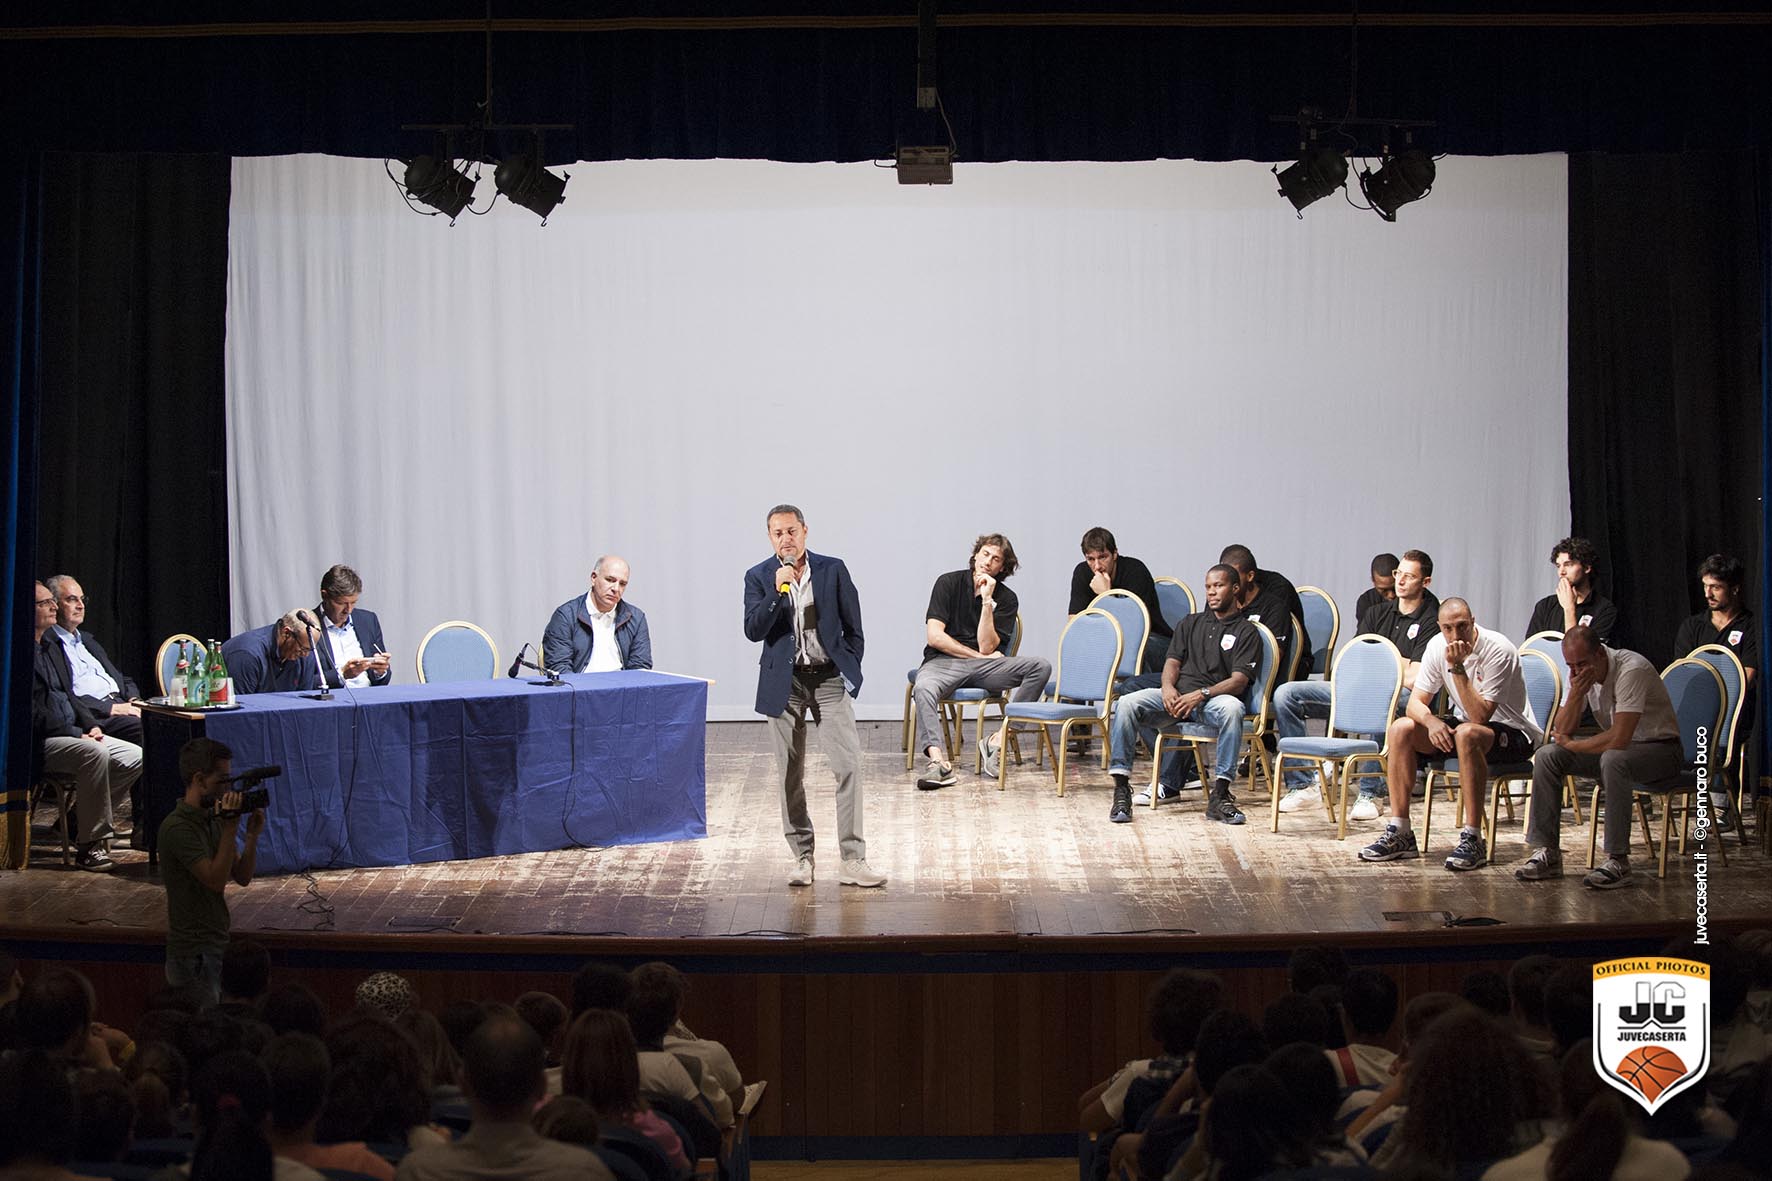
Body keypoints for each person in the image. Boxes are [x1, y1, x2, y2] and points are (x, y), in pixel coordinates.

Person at [742, 504, 884, 888]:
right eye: (777, 533)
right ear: (769, 537)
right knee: (790, 772)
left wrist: (850, 662)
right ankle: (803, 857)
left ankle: (853, 860)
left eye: (791, 531)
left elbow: (854, 627)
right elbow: (753, 631)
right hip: (783, 684)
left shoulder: (832, 569)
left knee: (848, 765)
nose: (786, 539)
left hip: (827, 679)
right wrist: (776, 591)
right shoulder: (759, 576)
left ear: (805, 531)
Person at [1360, 598, 1541, 872]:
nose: (1456, 636)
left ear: (1473, 621)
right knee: (1402, 728)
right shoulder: (1435, 646)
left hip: (1513, 732)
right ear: (1439, 627)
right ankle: (1401, 832)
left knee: (1468, 733)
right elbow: (1415, 703)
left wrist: (1457, 668)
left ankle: (1473, 837)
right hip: (1466, 725)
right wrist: (1431, 722)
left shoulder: (1498, 649)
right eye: (1448, 629)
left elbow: (1481, 716)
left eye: (1462, 627)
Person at [1515, 625, 1684, 889]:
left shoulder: (1631, 669)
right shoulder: (1581, 676)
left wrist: (1574, 746)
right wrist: (1575, 695)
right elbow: (1561, 729)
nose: (1575, 672)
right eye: (1570, 665)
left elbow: (1620, 737)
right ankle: (1548, 852)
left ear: (1600, 655)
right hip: (1622, 751)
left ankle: (1618, 860)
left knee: (1613, 759)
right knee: (1548, 755)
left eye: (1581, 664)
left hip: (1661, 750)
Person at [1276, 549, 1441, 821]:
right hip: (1358, 687)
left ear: (1425, 582)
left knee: (1384, 698)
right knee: (1286, 695)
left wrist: (1380, 660)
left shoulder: (1430, 620)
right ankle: (1304, 785)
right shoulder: (1376, 613)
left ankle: (1371, 792)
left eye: (1409, 576)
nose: (1400, 581)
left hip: (1401, 697)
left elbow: (1416, 678)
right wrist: (1394, 663)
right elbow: (1357, 659)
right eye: (1399, 573)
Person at [1105, 564, 1260, 825]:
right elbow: (1172, 663)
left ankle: (1220, 794)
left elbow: (1238, 680)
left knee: (1233, 708)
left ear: (1235, 589)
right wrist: (1167, 688)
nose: (1212, 592)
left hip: (1212, 701)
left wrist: (1200, 695)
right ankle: (1121, 789)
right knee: (1127, 702)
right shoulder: (1190, 623)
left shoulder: (1246, 631)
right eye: (1208, 587)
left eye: (1218, 586)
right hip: (1178, 698)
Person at [910, 532, 1052, 787]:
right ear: (976, 555)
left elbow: (988, 645)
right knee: (923, 688)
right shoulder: (948, 583)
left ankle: (998, 740)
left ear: (1002, 568)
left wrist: (987, 601)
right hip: (943, 663)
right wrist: (977, 656)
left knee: (1040, 666)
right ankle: (938, 764)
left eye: (996, 559)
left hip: (986, 668)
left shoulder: (1006, 599)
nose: (988, 561)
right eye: (985, 554)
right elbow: (935, 637)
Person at [31, 580, 142, 871]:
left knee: (134, 757)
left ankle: (77, 820)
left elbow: (70, 696)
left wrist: (91, 725)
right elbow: (32, 715)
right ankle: (90, 846)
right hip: (43, 740)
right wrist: (77, 732)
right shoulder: (19, 656)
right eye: (45, 603)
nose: (53, 607)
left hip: (74, 731)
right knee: (95, 755)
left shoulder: (51, 648)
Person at [158, 737, 264, 1002]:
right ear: (199, 779)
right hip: (192, 954)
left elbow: (242, 877)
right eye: (222, 779)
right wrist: (230, 828)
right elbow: (215, 881)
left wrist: (251, 837)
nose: (227, 788)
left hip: (215, 944)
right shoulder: (177, 828)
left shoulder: (213, 820)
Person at [44, 574, 143, 742]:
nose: (81, 606)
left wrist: (136, 701)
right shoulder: (49, 644)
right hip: (96, 715)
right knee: (148, 730)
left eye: (82, 600)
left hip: (123, 705)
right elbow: (65, 695)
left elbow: (122, 679)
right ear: (55, 604)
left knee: (173, 721)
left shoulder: (88, 641)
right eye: (72, 599)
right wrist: (113, 708)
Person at [1067, 526, 1171, 679]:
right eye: (1091, 559)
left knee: (1135, 650)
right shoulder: (1082, 572)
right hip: (1110, 641)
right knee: (1076, 650)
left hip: (1153, 640)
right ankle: (1071, 700)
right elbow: (1075, 624)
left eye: (1103, 557)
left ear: (1115, 554)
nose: (1097, 566)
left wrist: (1106, 595)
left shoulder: (1135, 570)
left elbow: (1133, 630)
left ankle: (1133, 700)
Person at [542, 555, 653, 674]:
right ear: (594, 578)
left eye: (622, 584)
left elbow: (640, 668)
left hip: (622, 689)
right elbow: (559, 667)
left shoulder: (636, 618)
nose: (616, 588)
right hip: (579, 688)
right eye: (610, 580)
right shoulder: (565, 616)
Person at [1220, 543, 1310, 680]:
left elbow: (1273, 655)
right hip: (1229, 667)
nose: (1228, 583)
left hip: (1274, 668)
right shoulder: (1220, 594)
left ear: (1250, 576)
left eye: (1233, 576)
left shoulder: (1276, 596)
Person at [1674, 552, 1758, 689]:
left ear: (1735, 589)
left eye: (1715, 587)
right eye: (1705, 586)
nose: (1708, 594)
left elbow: (1747, 676)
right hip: (1698, 706)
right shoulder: (1691, 626)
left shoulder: (1751, 626)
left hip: (1738, 709)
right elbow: (1681, 674)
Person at [1524, 535, 1618, 643]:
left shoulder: (1604, 610)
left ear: (1587, 568)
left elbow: (1580, 655)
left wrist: (1569, 609)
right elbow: (1530, 650)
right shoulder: (1545, 606)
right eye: (1558, 566)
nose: (1561, 572)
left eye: (1568, 565)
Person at [314, 564, 392, 688]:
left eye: (353, 603)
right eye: (341, 603)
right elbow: (302, 682)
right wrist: (342, 674)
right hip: (331, 702)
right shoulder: (307, 627)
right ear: (325, 596)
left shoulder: (368, 621)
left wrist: (380, 672)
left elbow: (382, 681)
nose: (348, 610)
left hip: (369, 699)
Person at [221, 608, 324, 695]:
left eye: (309, 650)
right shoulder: (247, 655)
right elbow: (239, 710)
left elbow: (303, 704)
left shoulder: (305, 657)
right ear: (286, 633)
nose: (305, 655)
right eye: (303, 648)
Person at [1352, 552, 1400, 624]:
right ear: (1373, 581)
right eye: (1384, 590)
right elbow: (1365, 634)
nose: (1391, 595)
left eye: (1395, 587)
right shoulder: (1366, 601)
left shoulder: (1418, 599)